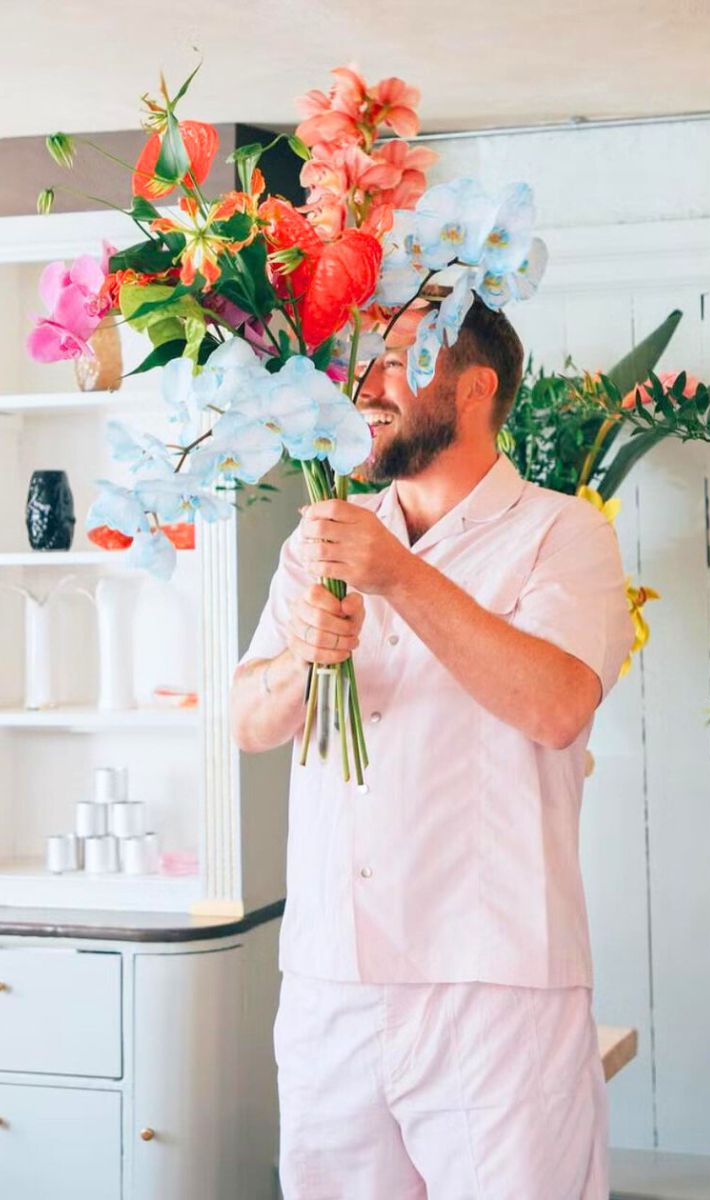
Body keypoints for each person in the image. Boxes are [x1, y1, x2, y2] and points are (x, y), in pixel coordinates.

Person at [230, 294, 635, 1200]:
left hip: (494, 986)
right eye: (362, 363)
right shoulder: (319, 536)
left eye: (397, 362)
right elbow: (249, 721)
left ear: (476, 387)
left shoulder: (563, 534)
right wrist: (304, 653)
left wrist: (399, 574)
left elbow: (561, 705)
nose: (364, 387)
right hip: (330, 980)